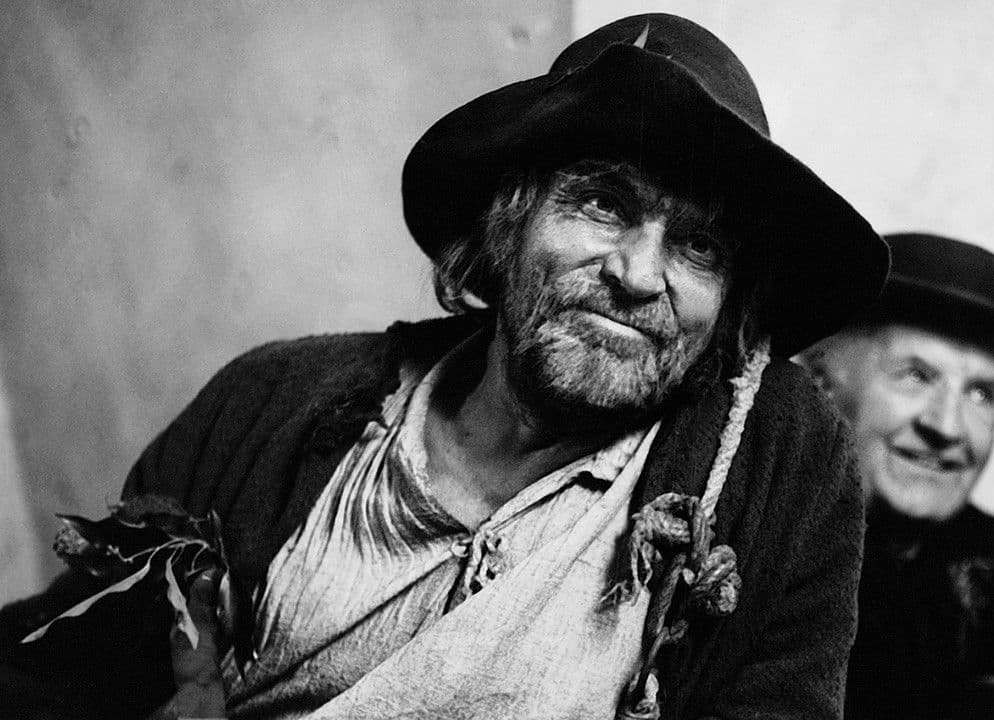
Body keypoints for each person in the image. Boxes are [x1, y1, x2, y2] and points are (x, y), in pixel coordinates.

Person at [0, 13, 889, 720]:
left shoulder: (772, 469)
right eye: (601, 204)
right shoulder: (269, 406)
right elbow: (63, 674)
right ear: (507, 225)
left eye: (698, 247)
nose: (637, 273)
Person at [796, 232, 994, 720]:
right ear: (821, 382)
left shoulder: (979, 544)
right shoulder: (766, 536)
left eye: (981, 393)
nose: (948, 427)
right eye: (916, 376)